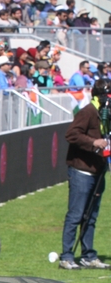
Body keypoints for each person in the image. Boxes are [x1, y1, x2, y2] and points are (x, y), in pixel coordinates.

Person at [59, 78, 111, 269]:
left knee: (91, 216)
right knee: (76, 215)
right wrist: (93, 142)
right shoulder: (88, 112)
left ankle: (88, 255)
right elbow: (71, 134)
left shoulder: (106, 114)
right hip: (81, 171)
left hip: (98, 170)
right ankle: (66, 256)